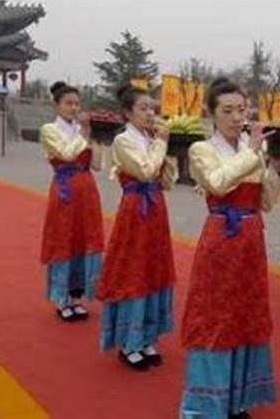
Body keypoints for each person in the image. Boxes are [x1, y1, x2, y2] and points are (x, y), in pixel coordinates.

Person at [180, 78, 280, 419]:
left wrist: (278, 169)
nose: (237, 117)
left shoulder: (253, 147)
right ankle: (207, 402)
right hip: (222, 237)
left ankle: (238, 397)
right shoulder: (201, 150)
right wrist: (252, 153)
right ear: (211, 113)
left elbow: (267, 202)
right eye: (228, 110)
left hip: (251, 239)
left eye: (242, 109)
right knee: (215, 315)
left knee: (246, 313)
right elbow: (218, 183)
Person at [96, 86, 178, 370]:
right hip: (135, 211)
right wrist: (162, 144)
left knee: (153, 269)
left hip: (155, 207)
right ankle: (129, 342)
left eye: (152, 108)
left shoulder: (150, 138)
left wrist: (166, 151)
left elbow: (165, 179)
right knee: (134, 270)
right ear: (128, 113)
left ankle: (147, 336)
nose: (150, 113)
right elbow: (144, 171)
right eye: (143, 108)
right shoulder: (123, 141)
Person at [39, 81, 104, 322]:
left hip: (86, 191)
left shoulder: (81, 129)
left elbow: (97, 164)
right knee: (64, 239)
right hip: (65, 191)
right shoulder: (49, 130)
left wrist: (93, 137)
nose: (74, 108)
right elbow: (66, 154)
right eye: (68, 103)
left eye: (77, 103)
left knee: (83, 240)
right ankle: (61, 297)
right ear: (57, 105)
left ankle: (76, 295)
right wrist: (84, 134)